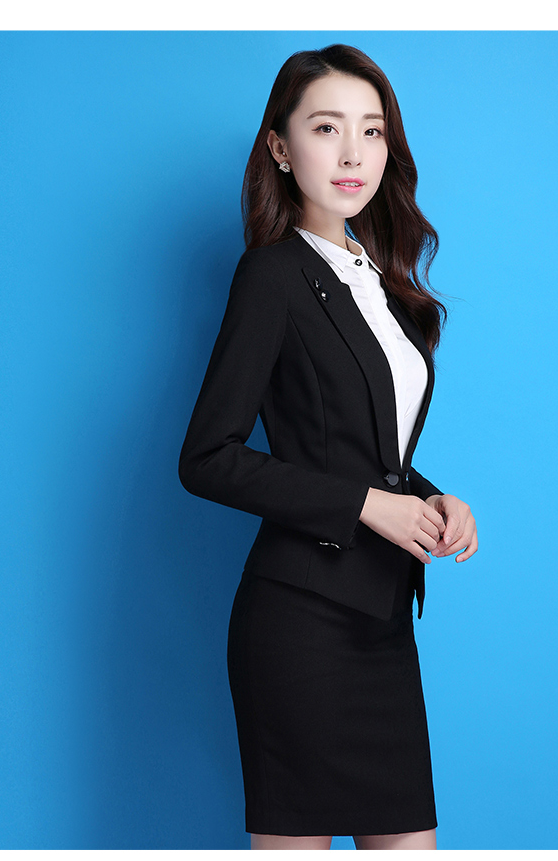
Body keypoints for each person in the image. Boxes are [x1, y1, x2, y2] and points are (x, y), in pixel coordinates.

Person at [179, 44, 478, 850]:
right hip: (300, 622)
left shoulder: (385, 286)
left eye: (371, 130)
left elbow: (364, 446)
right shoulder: (272, 276)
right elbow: (206, 456)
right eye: (326, 127)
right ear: (280, 148)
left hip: (382, 619)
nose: (353, 153)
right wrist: (367, 505)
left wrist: (430, 497)